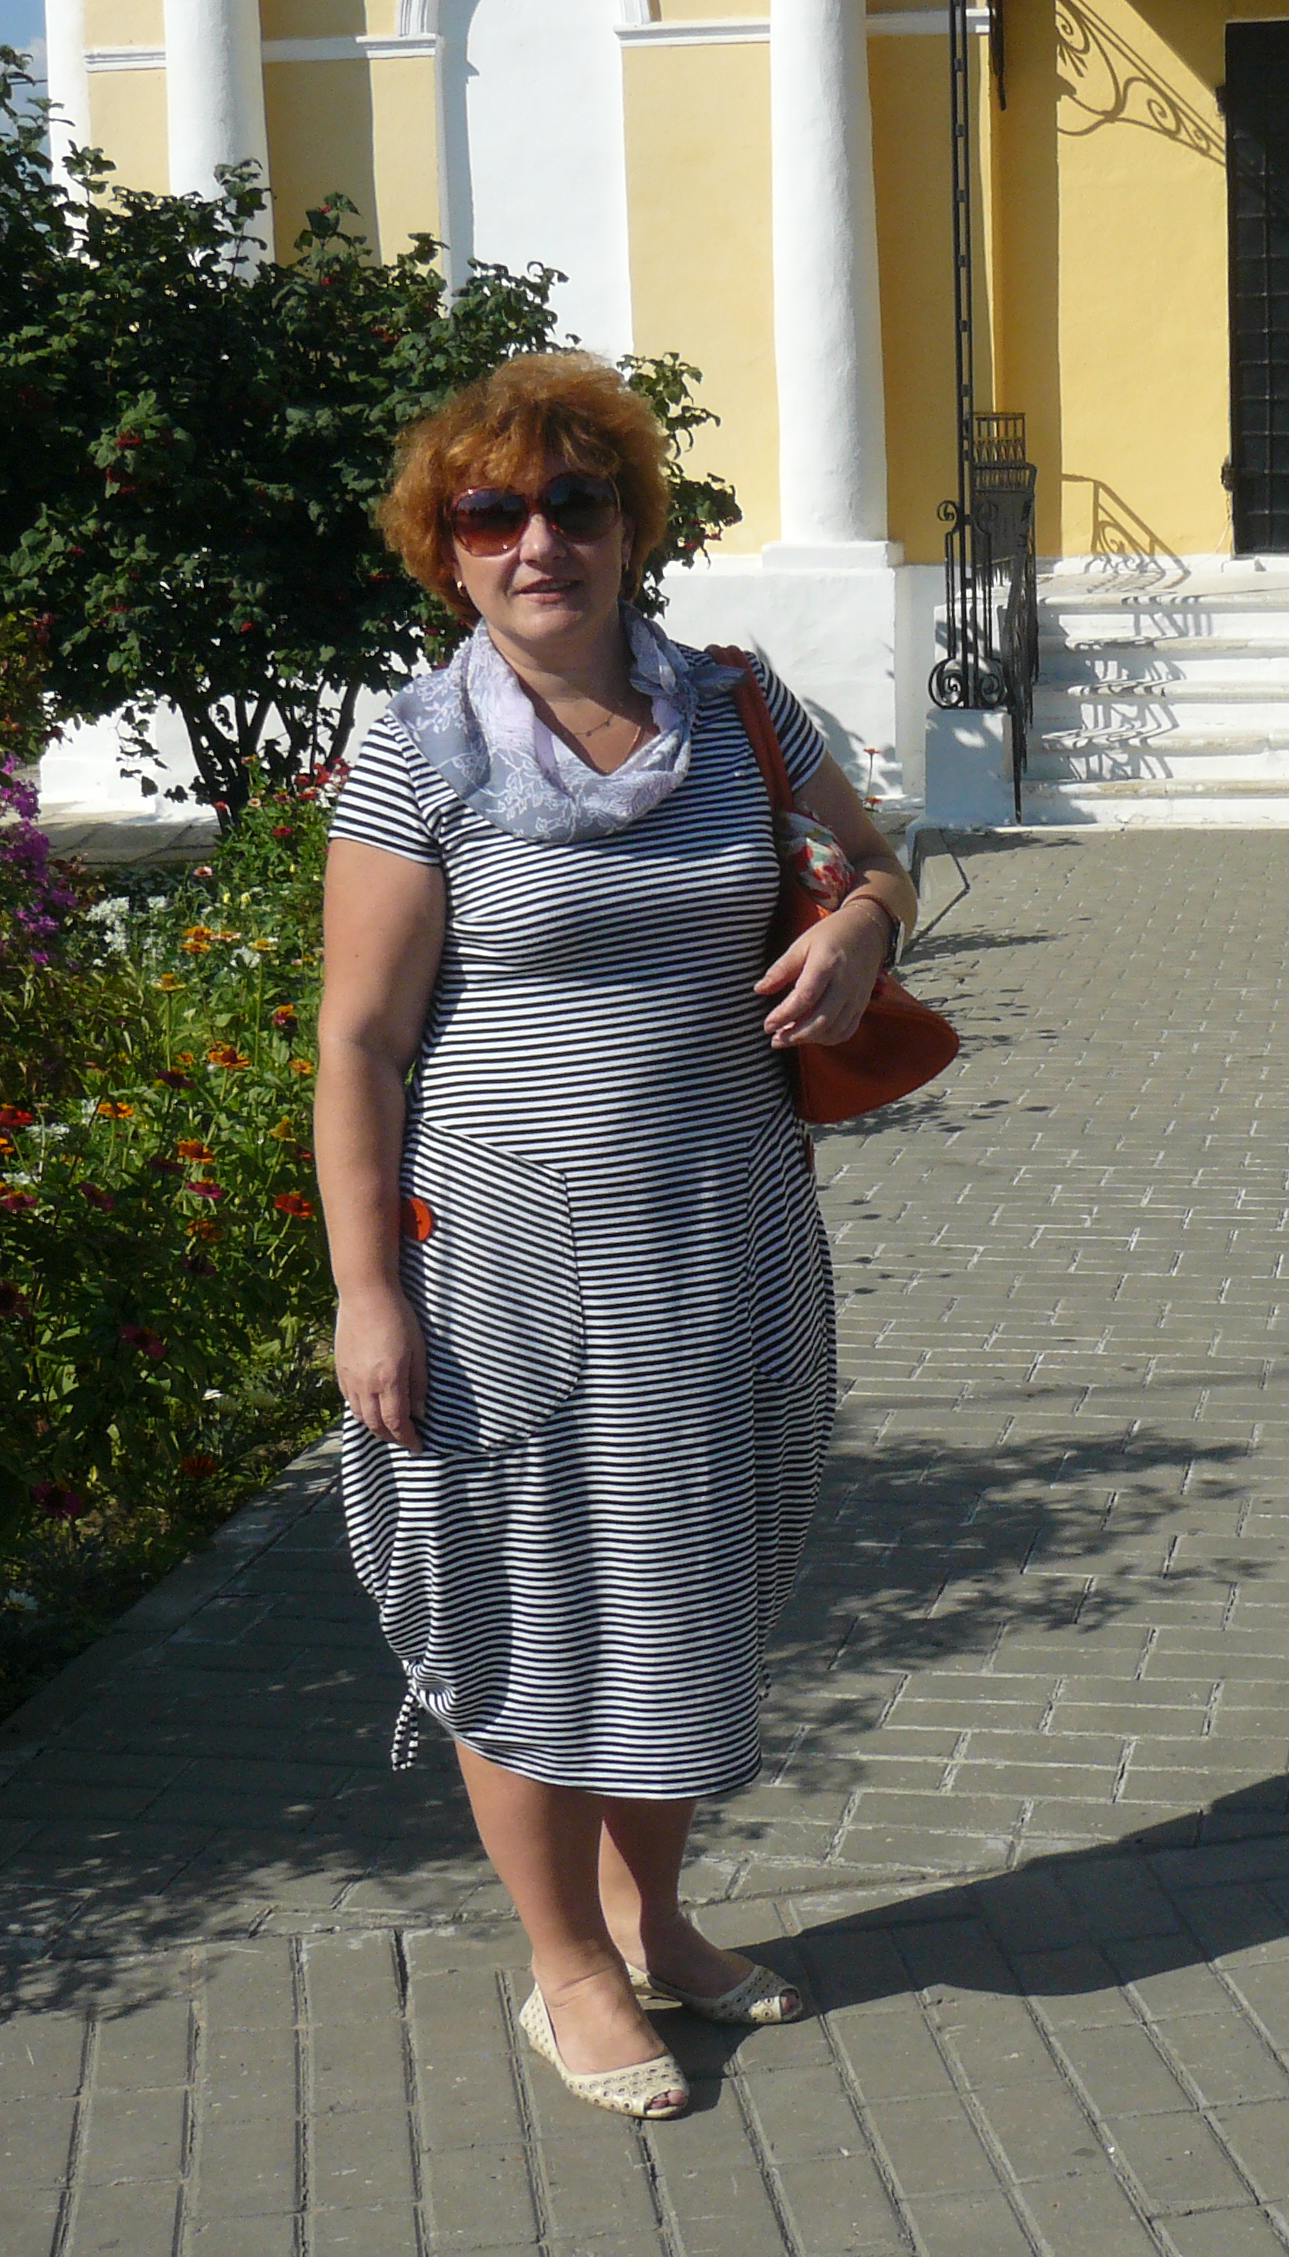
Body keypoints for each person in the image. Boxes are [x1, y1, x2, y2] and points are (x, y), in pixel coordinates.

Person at [314, 353, 917, 2121]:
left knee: (692, 1586)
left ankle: (654, 1924)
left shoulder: (737, 707)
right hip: (509, 1262)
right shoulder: (413, 749)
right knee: (528, 1605)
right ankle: (565, 1965)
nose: (539, 544)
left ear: (631, 525)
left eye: (575, 505)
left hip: (726, 1236)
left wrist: (861, 930)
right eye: (491, 513)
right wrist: (367, 1292)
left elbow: (878, 860)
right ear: (445, 548)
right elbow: (359, 1043)